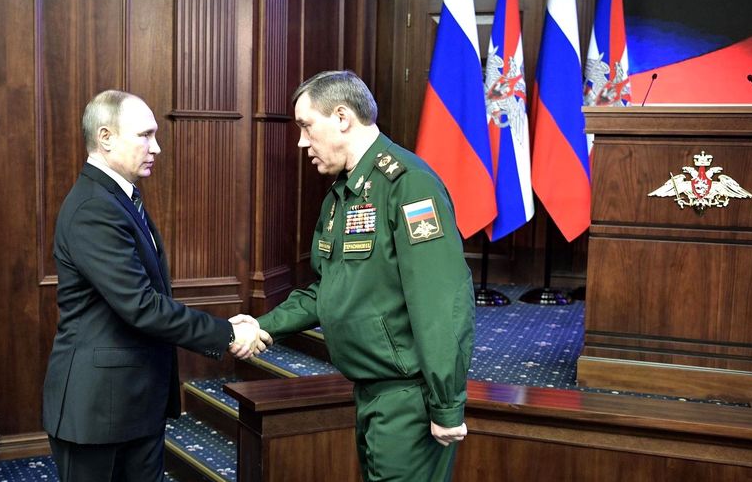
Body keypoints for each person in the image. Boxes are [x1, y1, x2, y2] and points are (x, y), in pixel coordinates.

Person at [255, 70, 475, 481]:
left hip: (407, 397)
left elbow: (441, 303)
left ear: (342, 117)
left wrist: (446, 404)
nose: (301, 141)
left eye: (306, 125)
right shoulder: (344, 193)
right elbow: (330, 288)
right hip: (371, 391)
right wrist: (262, 326)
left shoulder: (409, 185)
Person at [42, 90, 264, 482]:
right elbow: (141, 305)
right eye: (145, 135)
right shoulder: (94, 207)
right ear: (106, 137)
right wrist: (226, 333)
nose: (156, 147)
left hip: (134, 401)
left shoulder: (119, 198)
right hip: (97, 409)